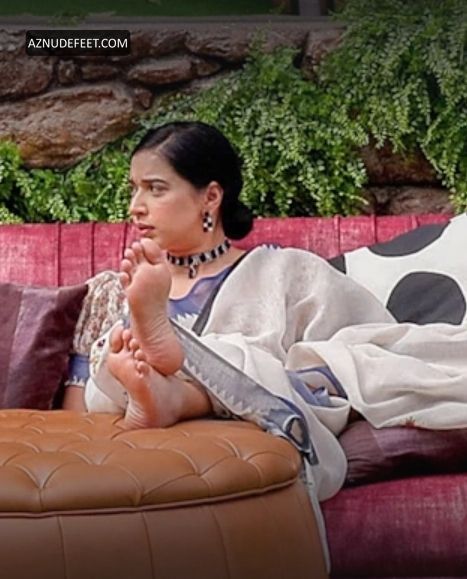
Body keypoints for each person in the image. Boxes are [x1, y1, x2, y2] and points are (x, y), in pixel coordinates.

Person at [63, 120, 467, 503]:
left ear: (211, 197)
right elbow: (75, 417)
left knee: (303, 363)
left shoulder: (287, 272)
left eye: (155, 189)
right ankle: (166, 387)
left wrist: (299, 371)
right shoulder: (114, 290)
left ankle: (185, 390)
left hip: (255, 430)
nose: (135, 206)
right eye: (134, 189)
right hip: (138, 443)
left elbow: (371, 351)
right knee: (112, 354)